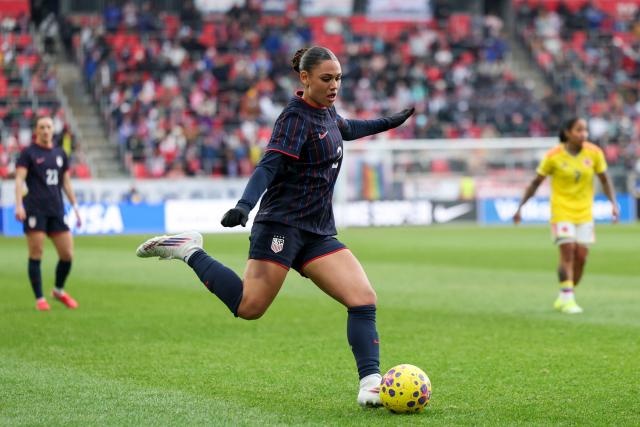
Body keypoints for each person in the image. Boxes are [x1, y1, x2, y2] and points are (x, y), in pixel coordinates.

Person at [136, 46, 414, 407]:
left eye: (338, 78)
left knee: (362, 299)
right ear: (305, 78)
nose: (334, 86)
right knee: (249, 306)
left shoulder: (327, 111)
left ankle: (370, 384)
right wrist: (244, 206)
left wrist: (388, 122)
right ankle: (189, 248)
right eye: (327, 79)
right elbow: (268, 166)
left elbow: (347, 128)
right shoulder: (294, 119)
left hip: (316, 230)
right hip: (281, 225)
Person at [513, 117, 618, 314]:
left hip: (585, 212)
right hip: (561, 211)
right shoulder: (553, 156)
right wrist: (520, 207)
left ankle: (565, 294)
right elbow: (536, 183)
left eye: (585, 130)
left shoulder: (594, 153)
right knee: (567, 249)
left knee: (581, 257)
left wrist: (613, 203)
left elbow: (605, 179)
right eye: (579, 130)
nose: (583, 134)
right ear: (568, 132)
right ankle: (568, 297)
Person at [14, 116, 82, 311]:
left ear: (53, 130)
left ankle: (58, 290)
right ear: (36, 130)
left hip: (56, 210)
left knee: (67, 254)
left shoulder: (60, 153)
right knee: (36, 253)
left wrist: (76, 208)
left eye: (48, 127)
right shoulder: (29, 153)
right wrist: (19, 205)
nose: (45, 130)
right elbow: (19, 180)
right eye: (42, 127)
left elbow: (66, 183)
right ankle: (40, 299)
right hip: (35, 209)